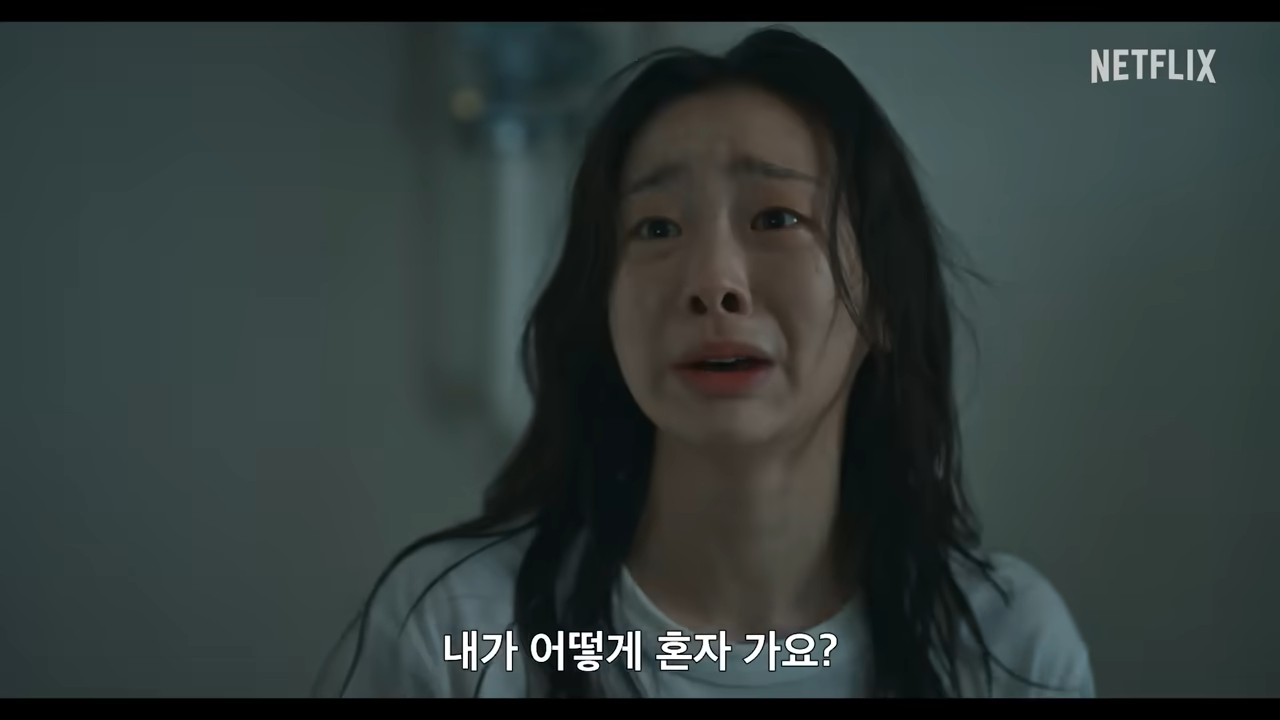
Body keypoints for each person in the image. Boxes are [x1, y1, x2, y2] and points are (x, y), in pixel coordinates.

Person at [329, 26, 1094, 698]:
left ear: (885, 300)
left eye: (776, 217)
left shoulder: (1003, 647)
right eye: (657, 228)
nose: (712, 282)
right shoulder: (465, 632)